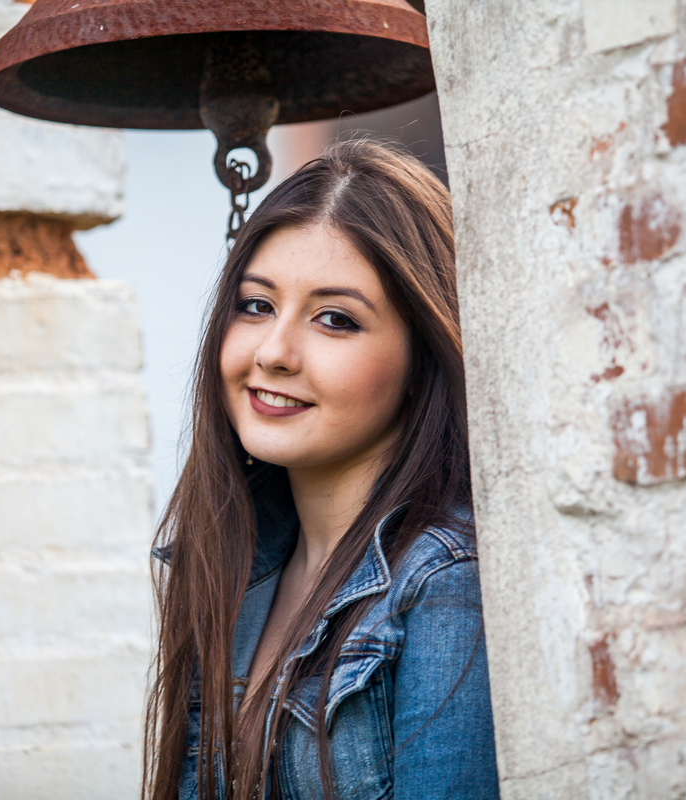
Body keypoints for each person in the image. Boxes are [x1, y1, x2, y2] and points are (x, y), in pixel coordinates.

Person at [143, 139, 498, 800]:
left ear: (421, 356)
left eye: (334, 320)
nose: (274, 352)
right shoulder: (234, 564)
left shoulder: (447, 584)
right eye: (255, 305)